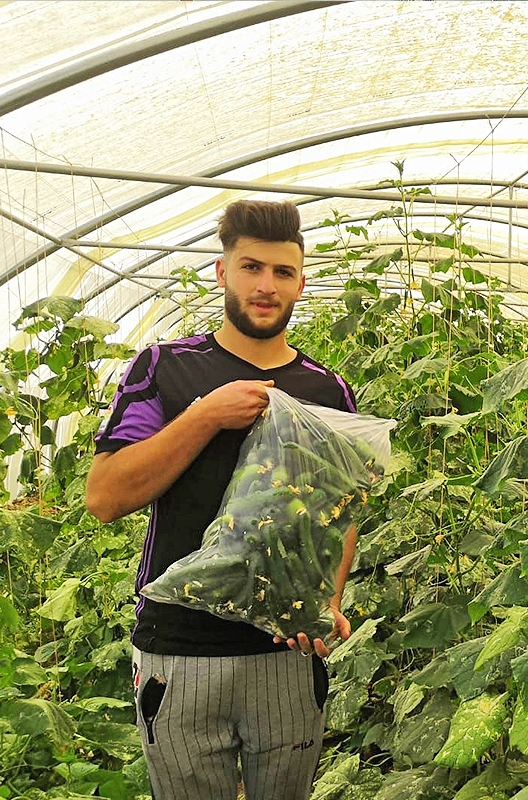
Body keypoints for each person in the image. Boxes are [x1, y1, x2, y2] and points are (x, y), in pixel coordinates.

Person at [86, 200, 357, 800]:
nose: (265, 286)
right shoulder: (165, 368)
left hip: (284, 652)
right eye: (251, 267)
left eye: (282, 272)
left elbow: (340, 513)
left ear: (301, 283)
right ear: (222, 272)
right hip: (180, 650)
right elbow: (105, 496)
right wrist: (205, 416)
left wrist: (327, 600)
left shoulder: (327, 389)